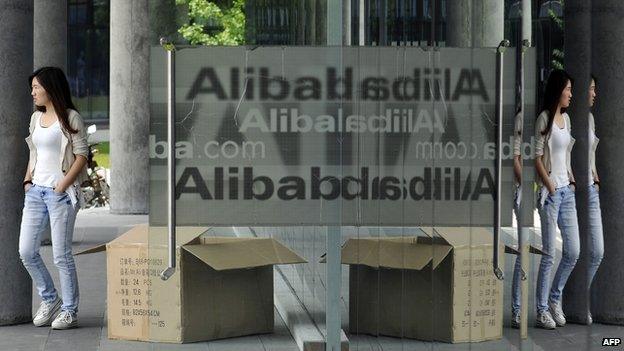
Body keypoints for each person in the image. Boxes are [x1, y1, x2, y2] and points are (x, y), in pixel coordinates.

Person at [19, 67, 89, 329]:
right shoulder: (36, 118)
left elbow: (81, 156)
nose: (33, 92)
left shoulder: (71, 117)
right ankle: (51, 299)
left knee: (61, 255)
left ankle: (70, 309)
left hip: (60, 195)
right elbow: (34, 153)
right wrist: (27, 180)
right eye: (33, 87)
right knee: (26, 251)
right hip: (35, 192)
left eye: (37, 87)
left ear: (51, 88)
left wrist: (62, 186)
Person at [534, 69, 580, 329]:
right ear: (558, 90)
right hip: (551, 194)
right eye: (568, 90)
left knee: (573, 251)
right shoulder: (544, 119)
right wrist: (550, 186)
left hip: (567, 192)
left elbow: (566, 154)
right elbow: (537, 157)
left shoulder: (567, 119)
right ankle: (541, 310)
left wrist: (570, 180)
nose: (571, 95)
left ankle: (554, 299)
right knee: (550, 254)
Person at [585, 75, 603, 325]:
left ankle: (580, 297)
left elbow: (590, 154)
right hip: (568, 191)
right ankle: (553, 301)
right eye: (591, 89)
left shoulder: (589, 118)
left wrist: (596, 177)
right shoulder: (567, 119)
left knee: (597, 251)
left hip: (590, 189)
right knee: (572, 252)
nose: (594, 94)